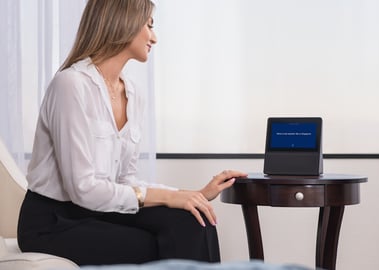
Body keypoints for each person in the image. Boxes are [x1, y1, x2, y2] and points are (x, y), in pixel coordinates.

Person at [17, 0, 246, 266]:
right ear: (123, 22)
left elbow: (125, 180)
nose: (154, 37)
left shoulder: (133, 94)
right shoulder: (70, 85)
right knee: (147, 244)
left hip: (100, 210)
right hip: (53, 222)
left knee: (194, 218)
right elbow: (82, 189)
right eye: (149, 25)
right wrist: (171, 197)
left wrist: (191, 194)